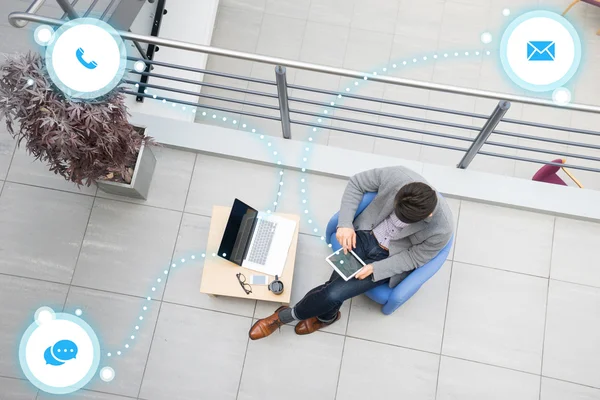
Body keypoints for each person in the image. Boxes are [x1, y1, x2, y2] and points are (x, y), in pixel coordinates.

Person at [248, 166, 454, 340]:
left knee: (333, 291)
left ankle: (285, 317)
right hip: (363, 234)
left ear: (427, 215)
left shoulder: (442, 228)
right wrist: (345, 224)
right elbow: (357, 183)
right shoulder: (399, 176)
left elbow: (415, 257)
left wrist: (376, 268)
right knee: (333, 290)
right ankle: (327, 317)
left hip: (387, 258)